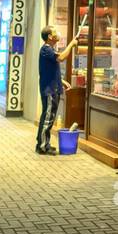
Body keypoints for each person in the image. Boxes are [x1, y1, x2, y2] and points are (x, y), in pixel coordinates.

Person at [36, 26, 77, 155]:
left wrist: (62, 82)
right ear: (49, 36)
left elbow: (52, 70)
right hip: (49, 90)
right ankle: (42, 146)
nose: (57, 33)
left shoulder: (50, 50)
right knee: (48, 117)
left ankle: (45, 143)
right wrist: (71, 44)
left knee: (50, 117)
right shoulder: (46, 50)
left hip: (54, 88)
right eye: (54, 31)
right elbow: (61, 58)